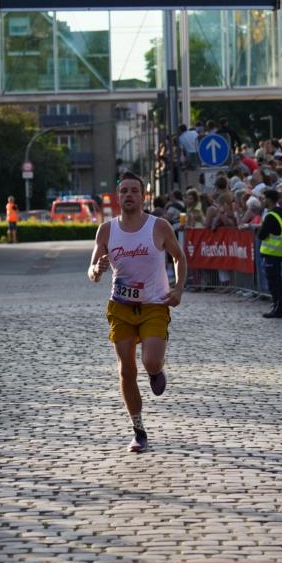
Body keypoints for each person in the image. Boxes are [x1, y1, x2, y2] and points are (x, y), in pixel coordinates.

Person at [87, 171, 187, 454]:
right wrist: (97, 270)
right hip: (120, 307)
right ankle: (138, 429)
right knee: (126, 370)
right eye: (124, 191)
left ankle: (156, 371)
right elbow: (92, 271)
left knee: (151, 362)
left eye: (134, 190)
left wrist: (178, 289)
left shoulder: (159, 226)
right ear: (118, 197)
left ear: (143, 196)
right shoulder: (106, 230)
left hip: (154, 305)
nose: (128, 195)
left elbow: (179, 257)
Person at [258, 187, 282, 318]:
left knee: (274, 283)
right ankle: (278, 307)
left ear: (269, 200)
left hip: (272, 253)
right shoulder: (280, 212)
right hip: (278, 252)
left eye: (264, 199)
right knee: (276, 282)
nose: (263, 201)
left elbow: (262, 235)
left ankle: (278, 308)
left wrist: (260, 228)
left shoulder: (270, 216)